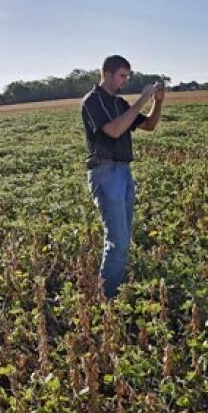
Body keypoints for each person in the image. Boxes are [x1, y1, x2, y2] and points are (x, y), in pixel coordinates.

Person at [80, 55, 165, 298]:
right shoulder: (92, 101)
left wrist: (157, 103)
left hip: (123, 172)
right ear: (107, 74)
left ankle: (110, 295)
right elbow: (115, 130)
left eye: (128, 76)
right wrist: (142, 99)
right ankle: (106, 301)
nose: (126, 81)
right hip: (105, 173)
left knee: (123, 240)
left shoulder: (120, 103)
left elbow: (148, 125)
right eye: (122, 76)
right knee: (117, 242)